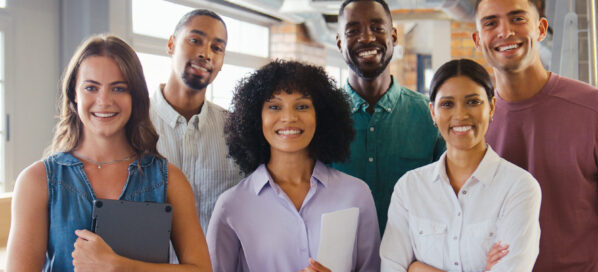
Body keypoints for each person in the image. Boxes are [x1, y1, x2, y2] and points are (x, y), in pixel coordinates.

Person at [472, 0, 598, 271]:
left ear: (541, 28)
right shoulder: (467, 125)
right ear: (477, 40)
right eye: (491, 23)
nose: (505, 31)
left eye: (518, 19)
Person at [5, 35, 211, 271]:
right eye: (91, 87)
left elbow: (202, 269)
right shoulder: (37, 181)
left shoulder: (170, 181)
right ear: (74, 93)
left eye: (119, 88)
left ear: (135, 96)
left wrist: (117, 266)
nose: (104, 101)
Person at [206, 60, 380, 272]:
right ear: (255, 118)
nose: (289, 117)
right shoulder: (232, 205)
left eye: (302, 106)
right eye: (274, 107)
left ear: (321, 115)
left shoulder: (356, 194)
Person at [380, 59, 541, 272]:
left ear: (492, 107)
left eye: (473, 102)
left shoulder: (518, 187)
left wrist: (418, 269)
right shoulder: (409, 187)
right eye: (447, 104)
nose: (460, 115)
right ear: (433, 113)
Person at [332, 0, 445, 232]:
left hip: (413, 263)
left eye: (377, 28)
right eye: (353, 31)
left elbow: (447, 200)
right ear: (340, 42)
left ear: (393, 36)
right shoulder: (321, 118)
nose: (366, 38)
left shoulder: (430, 116)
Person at [150, 9, 243, 235]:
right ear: (171, 44)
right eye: (195, 40)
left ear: (221, 62)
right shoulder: (133, 122)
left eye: (216, 48)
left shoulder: (235, 130)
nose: (205, 53)